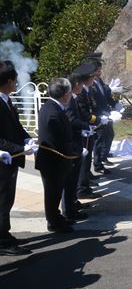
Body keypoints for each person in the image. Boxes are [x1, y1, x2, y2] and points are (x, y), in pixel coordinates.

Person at [0, 60, 34, 256]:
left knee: (7, 200)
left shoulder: (7, 99)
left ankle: (5, 233)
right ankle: (2, 242)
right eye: (15, 80)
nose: (16, 83)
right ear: (9, 80)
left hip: (11, 159)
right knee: (3, 202)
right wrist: (19, 148)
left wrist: (27, 139)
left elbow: (16, 126)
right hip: (4, 160)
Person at [36, 78, 76, 233]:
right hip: (53, 162)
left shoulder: (51, 106)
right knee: (53, 194)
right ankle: (54, 223)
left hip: (52, 161)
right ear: (65, 95)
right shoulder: (53, 112)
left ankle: (55, 218)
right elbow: (59, 141)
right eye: (70, 92)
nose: (71, 95)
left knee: (54, 193)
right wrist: (76, 151)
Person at [62, 67, 96, 222]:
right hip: (72, 143)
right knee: (70, 180)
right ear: (76, 84)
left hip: (77, 140)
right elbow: (71, 119)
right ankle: (69, 209)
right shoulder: (70, 99)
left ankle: (73, 203)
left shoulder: (73, 97)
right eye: (81, 84)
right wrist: (85, 127)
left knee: (73, 179)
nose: (83, 87)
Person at [75, 62, 108, 199]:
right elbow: (84, 113)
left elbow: (90, 109)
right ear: (86, 78)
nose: (94, 80)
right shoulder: (80, 91)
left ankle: (85, 184)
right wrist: (99, 120)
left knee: (86, 161)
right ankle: (82, 189)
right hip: (84, 131)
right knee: (83, 161)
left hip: (89, 129)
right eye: (92, 78)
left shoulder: (86, 89)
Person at [91, 56, 118, 173]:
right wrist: (98, 117)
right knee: (99, 140)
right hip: (99, 117)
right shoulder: (90, 83)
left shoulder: (99, 80)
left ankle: (103, 155)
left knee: (109, 135)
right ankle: (97, 165)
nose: (101, 72)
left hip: (106, 115)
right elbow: (93, 102)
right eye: (99, 69)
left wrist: (115, 104)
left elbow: (106, 94)